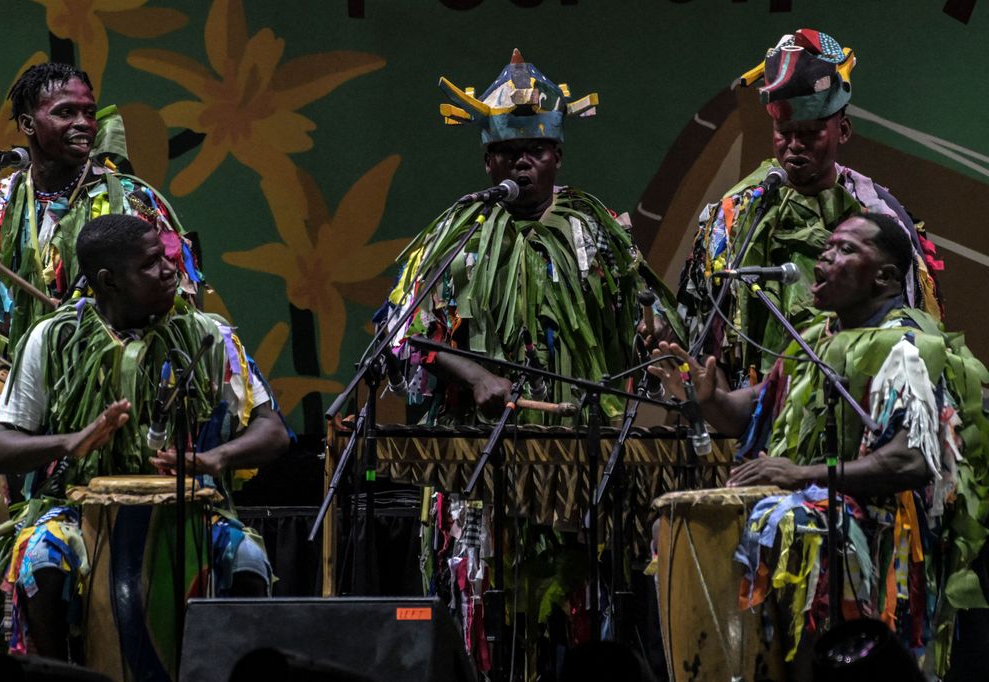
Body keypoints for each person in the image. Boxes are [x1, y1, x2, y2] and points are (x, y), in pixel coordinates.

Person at [374, 50, 655, 674]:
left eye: (535, 148)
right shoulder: (458, 236)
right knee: (487, 623)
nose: (521, 161)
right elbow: (405, 332)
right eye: (507, 152)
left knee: (582, 618)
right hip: (478, 464)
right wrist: (474, 376)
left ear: (557, 155)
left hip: (578, 463)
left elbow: (637, 337)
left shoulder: (599, 235)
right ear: (487, 160)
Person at [651, 212, 989, 678]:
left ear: (885, 277)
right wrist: (708, 400)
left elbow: (911, 460)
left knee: (787, 521)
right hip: (824, 506)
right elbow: (749, 408)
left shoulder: (907, 347)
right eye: (827, 247)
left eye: (847, 249)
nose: (826, 256)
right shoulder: (816, 338)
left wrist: (801, 475)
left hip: (883, 531)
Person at [0, 214, 289, 661]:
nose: (168, 270)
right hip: (77, 511)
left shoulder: (206, 335)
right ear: (108, 281)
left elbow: (273, 429)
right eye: (150, 264)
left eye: (166, 257)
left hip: (188, 512)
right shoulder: (53, 340)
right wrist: (71, 441)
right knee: (39, 558)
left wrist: (217, 459)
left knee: (247, 559)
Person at [671, 29, 944, 388]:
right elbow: (708, 341)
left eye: (811, 132)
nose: (794, 145)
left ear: (842, 130)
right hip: (754, 417)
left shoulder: (879, 215)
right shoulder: (735, 217)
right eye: (784, 131)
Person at [0, 62, 199, 355]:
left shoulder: (130, 201)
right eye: (65, 112)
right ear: (27, 124)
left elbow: (179, 299)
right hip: (13, 381)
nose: (84, 123)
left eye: (89, 112)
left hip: (104, 377)